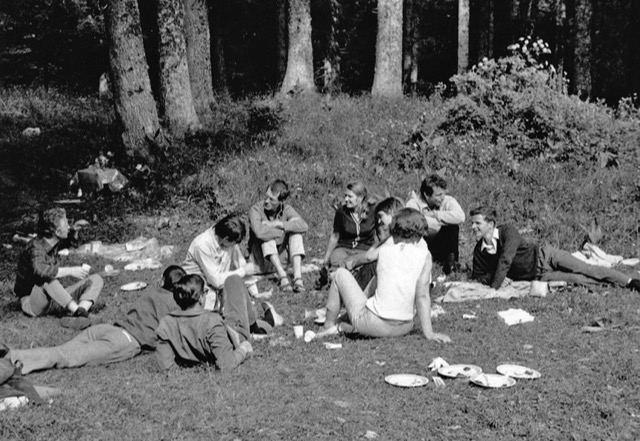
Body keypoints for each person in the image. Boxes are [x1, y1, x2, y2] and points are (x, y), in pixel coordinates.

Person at [4, 266, 186, 374]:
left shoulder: (152, 292)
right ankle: (12, 358)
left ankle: (15, 358)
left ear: (162, 282)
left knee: (63, 350)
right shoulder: (176, 306)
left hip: (109, 328)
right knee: (65, 356)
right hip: (125, 341)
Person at [316, 208, 451, 342]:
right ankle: (344, 325)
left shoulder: (384, 252)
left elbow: (373, 282)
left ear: (393, 233)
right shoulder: (425, 256)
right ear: (419, 234)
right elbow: (422, 296)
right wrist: (429, 333)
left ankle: (328, 326)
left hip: (374, 323)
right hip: (404, 326)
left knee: (340, 274)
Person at [470, 206, 640, 291]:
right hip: (539, 275)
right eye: (472, 223)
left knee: (588, 269)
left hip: (547, 256)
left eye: (477, 223)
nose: (473, 227)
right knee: (578, 280)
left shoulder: (508, 231)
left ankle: (630, 281)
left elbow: (506, 259)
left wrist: (494, 288)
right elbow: (478, 274)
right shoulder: (480, 250)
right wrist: (496, 277)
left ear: (490, 224)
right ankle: (612, 286)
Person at [13, 207, 103, 318]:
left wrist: (74, 230)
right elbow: (41, 271)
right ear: (57, 232)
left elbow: (66, 242)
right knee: (47, 279)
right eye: (66, 225)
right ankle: (78, 312)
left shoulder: (52, 240)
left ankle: (81, 312)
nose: (68, 226)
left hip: (54, 297)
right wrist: (71, 270)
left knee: (96, 279)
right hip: (31, 302)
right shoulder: (35, 248)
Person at [155, 274, 254, 371]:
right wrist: (243, 349)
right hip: (235, 336)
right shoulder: (212, 321)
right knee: (233, 280)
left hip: (213, 324)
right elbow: (226, 364)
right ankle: (257, 326)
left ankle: (260, 326)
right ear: (201, 298)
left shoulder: (166, 323)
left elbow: (166, 366)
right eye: (205, 292)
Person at [183, 213, 256, 308]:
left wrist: (254, 292)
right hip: (196, 287)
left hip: (215, 285)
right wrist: (243, 271)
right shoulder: (202, 245)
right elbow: (216, 280)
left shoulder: (228, 240)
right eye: (234, 243)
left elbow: (240, 263)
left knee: (240, 302)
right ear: (225, 240)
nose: (235, 246)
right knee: (214, 304)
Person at [248, 179, 308, 293]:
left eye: (271, 199)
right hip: (261, 262)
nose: (266, 201)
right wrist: (281, 231)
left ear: (281, 201)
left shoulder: (287, 209)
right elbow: (259, 232)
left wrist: (279, 224)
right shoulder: (255, 209)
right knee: (267, 236)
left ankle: (297, 279)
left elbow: (304, 226)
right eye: (266, 197)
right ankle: (283, 277)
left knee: (296, 234)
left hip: (282, 259)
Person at [317, 181, 377, 288]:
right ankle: (336, 276)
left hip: (363, 249)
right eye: (345, 196)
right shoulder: (342, 212)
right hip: (344, 249)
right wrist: (326, 259)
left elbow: (379, 235)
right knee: (337, 259)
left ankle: (343, 278)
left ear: (360, 198)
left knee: (363, 263)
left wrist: (373, 250)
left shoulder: (372, 211)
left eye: (350, 196)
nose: (346, 199)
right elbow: (335, 236)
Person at [406, 174, 465, 274]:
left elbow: (461, 217)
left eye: (443, 194)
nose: (442, 198)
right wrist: (444, 221)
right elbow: (413, 222)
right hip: (422, 243)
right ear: (426, 194)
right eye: (438, 195)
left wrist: (435, 214)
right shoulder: (414, 203)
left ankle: (451, 264)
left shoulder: (448, 200)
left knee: (453, 228)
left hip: (440, 242)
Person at [343, 197, 404, 289]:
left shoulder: (395, 238)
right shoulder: (392, 237)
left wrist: (353, 263)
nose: (379, 221)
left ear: (392, 212)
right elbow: (369, 253)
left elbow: (369, 257)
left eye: (381, 216)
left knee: (372, 265)